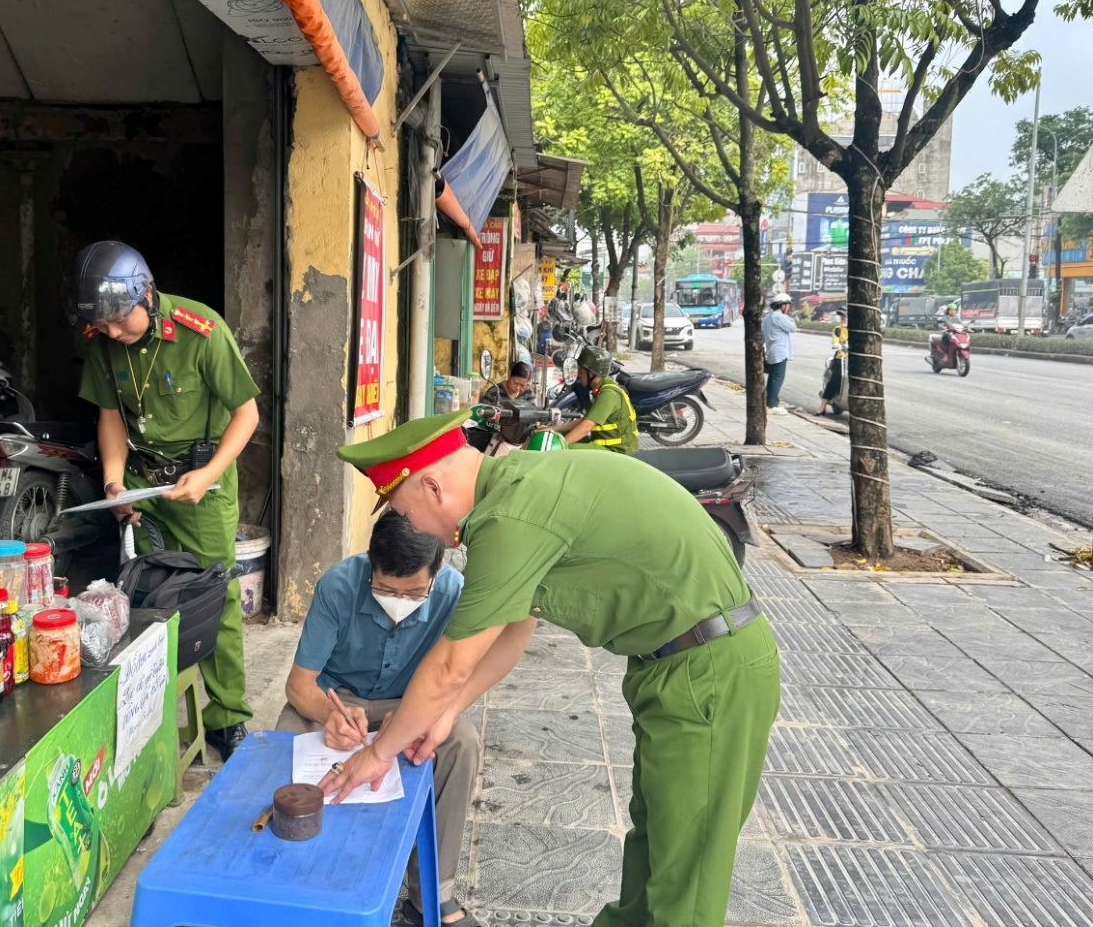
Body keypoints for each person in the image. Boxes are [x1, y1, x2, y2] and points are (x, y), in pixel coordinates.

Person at [328, 413, 780, 927]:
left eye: (408, 514)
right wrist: (446, 713)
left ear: (433, 487)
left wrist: (378, 754)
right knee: (655, 842)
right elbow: (514, 631)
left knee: (686, 880)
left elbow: (451, 663)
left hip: (710, 673)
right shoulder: (523, 486)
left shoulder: (509, 518)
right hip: (676, 668)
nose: (421, 533)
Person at [67, 241, 260, 761]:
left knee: (213, 596)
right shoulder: (105, 341)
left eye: (117, 320)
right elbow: (109, 416)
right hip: (142, 482)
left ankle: (227, 718)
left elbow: (247, 414)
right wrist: (113, 484)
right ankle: (143, 717)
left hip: (202, 485)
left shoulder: (202, 331)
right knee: (139, 592)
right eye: (101, 324)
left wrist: (208, 475)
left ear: (145, 294)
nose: (110, 332)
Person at [277, 512, 477, 927]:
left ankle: (431, 896)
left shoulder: (455, 593)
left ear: (437, 571)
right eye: (386, 589)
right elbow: (299, 686)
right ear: (371, 564)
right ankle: (295, 882)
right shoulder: (338, 585)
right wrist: (330, 714)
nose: (398, 601)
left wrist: (414, 718)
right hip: (338, 701)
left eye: (414, 592)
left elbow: (456, 680)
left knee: (461, 741)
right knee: (284, 741)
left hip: (410, 702)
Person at [550, 345, 638, 453]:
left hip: (616, 451)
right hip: (605, 447)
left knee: (566, 451)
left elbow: (586, 427)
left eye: (581, 372)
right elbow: (584, 421)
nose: (579, 376)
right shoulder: (600, 390)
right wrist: (552, 430)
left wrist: (559, 447)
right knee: (557, 438)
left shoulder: (608, 394)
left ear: (592, 373)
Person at [762, 293, 797, 415]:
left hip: (772, 351)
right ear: (782, 305)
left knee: (772, 378)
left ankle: (768, 402)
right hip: (780, 352)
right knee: (777, 378)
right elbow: (793, 327)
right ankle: (772, 404)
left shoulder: (767, 317)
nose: (788, 308)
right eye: (787, 305)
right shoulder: (779, 317)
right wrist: (791, 316)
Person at [817, 310, 847, 416]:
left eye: (844, 317)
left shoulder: (858, 330)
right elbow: (835, 341)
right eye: (842, 317)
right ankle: (822, 407)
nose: (842, 319)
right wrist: (837, 345)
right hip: (842, 358)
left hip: (856, 359)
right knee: (834, 380)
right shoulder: (838, 329)